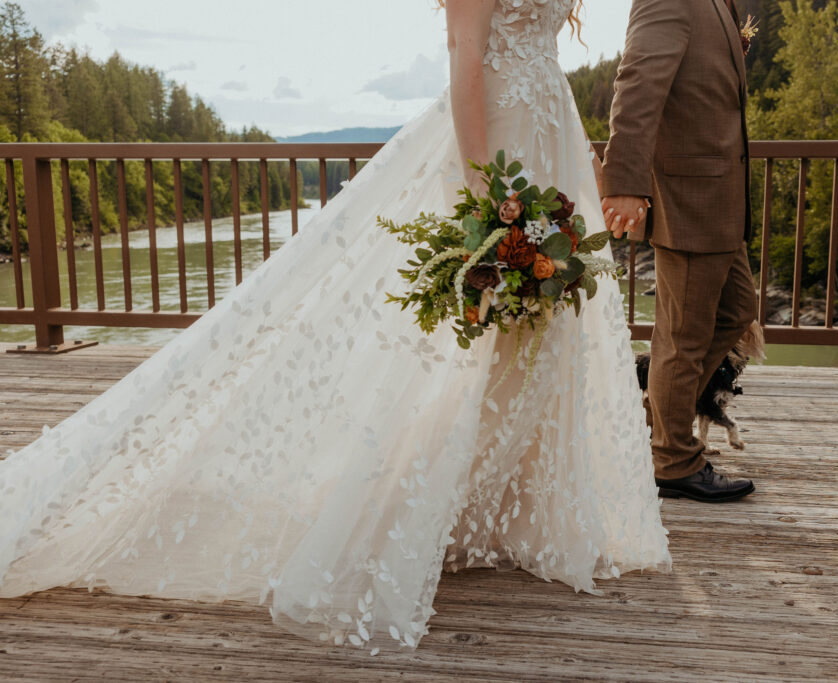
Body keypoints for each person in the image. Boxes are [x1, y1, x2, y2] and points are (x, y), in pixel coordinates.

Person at [0, 0, 670, 652]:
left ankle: (523, 512)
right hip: (497, 147)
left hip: (551, 133)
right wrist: (486, 196)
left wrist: (590, 168)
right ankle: (424, 506)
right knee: (479, 331)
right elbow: (465, 56)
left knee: (543, 331)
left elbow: (547, 61)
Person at [601, 0, 758, 503]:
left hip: (720, 196)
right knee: (682, 338)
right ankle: (672, 460)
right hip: (690, 195)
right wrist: (623, 180)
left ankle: (654, 422)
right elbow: (638, 85)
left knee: (738, 310)